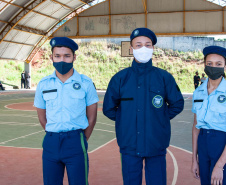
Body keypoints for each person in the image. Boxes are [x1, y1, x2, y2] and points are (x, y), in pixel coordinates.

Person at [103, 27, 184, 185]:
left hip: (156, 143)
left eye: (148, 45)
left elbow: (177, 103)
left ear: (153, 48)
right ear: (131, 48)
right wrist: (125, 120)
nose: (143, 49)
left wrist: (159, 119)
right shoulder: (120, 79)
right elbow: (108, 108)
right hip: (129, 144)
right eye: (138, 45)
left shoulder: (164, 77)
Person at [34, 37, 99, 185]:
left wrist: (80, 139)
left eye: (67, 56)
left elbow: (92, 117)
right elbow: (42, 117)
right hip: (51, 142)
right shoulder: (43, 84)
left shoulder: (85, 83)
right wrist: (54, 133)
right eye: (57, 56)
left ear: (74, 57)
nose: (62, 60)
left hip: (76, 141)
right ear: (51, 57)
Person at [191, 46, 226, 185]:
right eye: (209, 64)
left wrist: (220, 165)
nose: (213, 67)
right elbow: (195, 127)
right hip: (203, 143)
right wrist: (194, 160)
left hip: (221, 144)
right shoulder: (198, 91)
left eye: (218, 64)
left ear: (224, 66)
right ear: (204, 65)